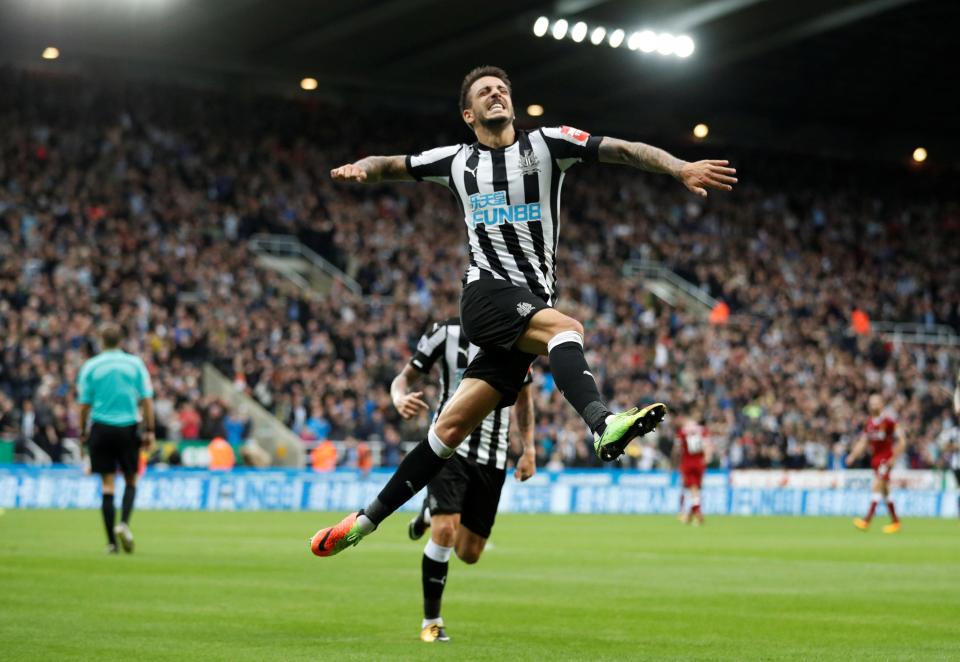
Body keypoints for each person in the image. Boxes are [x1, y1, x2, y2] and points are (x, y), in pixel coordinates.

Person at [310, 64, 736, 556]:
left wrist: (678, 167)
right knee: (568, 329)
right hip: (486, 294)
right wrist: (362, 167)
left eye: (502, 90)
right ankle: (602, 424)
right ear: (468, 114)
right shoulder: (455, 160)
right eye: (485, 93)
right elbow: (392, 163)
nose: (496, 95)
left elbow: (622, 149)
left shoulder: (549, 144)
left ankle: (363, 522)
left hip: (526, 308)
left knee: (447, 431)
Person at [392, 317, 537, 642]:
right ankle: (432, 622)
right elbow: (404, 378)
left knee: (470, 553)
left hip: (493, 456)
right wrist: (398, 398)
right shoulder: (444, 333)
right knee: (445, 531)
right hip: (448, 446)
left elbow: (525, 401)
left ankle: (431, 511)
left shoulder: (518, 338)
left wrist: (529, 449)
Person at [77, 323, 155, 554]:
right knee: (131, 479)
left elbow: (83, 405)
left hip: (101, 428)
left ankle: (111, 542)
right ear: (121, 340)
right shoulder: (134, 364)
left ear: (102, 341)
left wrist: (83, 431)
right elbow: (147, 399)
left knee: (107, 484)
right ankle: (124, 523)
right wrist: (150, 430)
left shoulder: (91, 366)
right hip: (128, 428)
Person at [846, 394, 907, 533]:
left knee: (876, 486)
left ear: (882, 404)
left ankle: (866, 521)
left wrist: (894, 458)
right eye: (871, 403)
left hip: (886, 460)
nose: (873, 406)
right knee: (885, 491)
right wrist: (853, 455)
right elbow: (863, 442)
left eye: (876, 403)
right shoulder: (870, 423)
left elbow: (902, 441)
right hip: (876, 460)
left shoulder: (889, 421)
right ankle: (896, 522)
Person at [674, 411, 712, 525]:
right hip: (700, 463)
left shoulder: (682, 432)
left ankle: (694, 512)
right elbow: (707, 446)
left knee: (688, 489)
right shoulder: (702, 431)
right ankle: (690, 515)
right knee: (696, 489)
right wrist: (707, 458)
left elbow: (677, 449)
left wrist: (675, 463)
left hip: (687, 463)